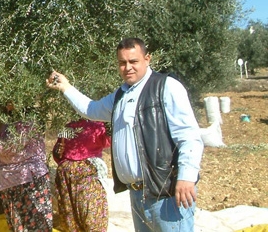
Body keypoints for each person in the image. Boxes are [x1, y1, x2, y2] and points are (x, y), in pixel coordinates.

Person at [46, 37, 204, 232]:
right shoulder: (120, 96)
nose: (127, 67)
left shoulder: (166, 87)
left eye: (133, 61)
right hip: (138, 195)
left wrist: (187, 177)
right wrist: (66, 87)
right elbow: (91, 109)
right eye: (122, 63)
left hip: (166, 194)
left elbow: (188, 135)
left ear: (147, 59)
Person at [0, 103, 53, 232]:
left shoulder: (29, 120)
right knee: (18, 226)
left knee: (37, 226)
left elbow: (10, 147)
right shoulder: (5, 122)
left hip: (31, 180)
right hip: (9, 183)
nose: (7, 104)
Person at [52, 119, 111, 232]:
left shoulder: (95, 125)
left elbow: (57, 154)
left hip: (74, 175)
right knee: (89, 219)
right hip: (78, 175)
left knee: (75, 219)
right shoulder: (95, 124)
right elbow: (59, 149)